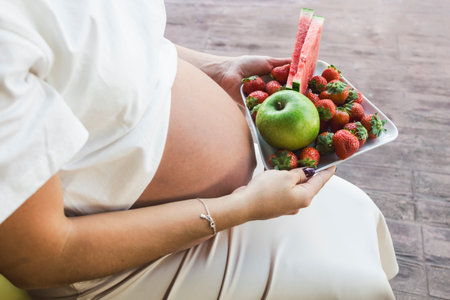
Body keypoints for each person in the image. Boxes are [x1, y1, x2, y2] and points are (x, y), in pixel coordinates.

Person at [0, 1, 398, 299]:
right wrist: (241, 208)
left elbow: (116, 46)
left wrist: (212, 67)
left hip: (242, 195)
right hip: (124, 264)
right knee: (348, 281)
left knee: (353, 212)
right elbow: (42, 257)